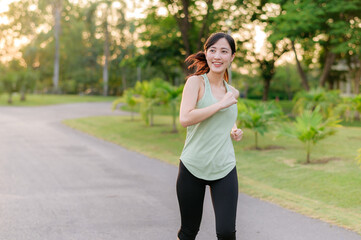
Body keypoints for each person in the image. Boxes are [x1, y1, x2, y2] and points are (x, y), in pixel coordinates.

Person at [177, 32, 243, 240]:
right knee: (189, 232)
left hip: (224, 167)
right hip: (193, 165)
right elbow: (185, 118)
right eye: (212, 50)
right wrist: (220, 104)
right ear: (206, 54)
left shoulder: (233, 92)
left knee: (226, 233)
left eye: (224, 51)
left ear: (231, 57)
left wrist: (234, 128)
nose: (217, 56)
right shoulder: (195, 83)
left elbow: (227, 115)